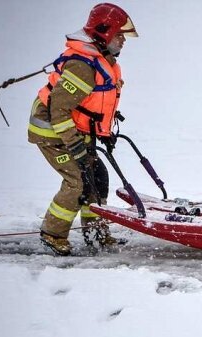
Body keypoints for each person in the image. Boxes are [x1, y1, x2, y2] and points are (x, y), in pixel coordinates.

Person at [29, 3, 137, 255]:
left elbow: (92, 104)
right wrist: (75, 144)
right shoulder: (83, 67)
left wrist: (104, 132)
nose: (123, 41)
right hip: (53, 133)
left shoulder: (101, 62)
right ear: (104, 33)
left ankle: (96, 233)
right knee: (77, 182)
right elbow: (59, 111)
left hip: (75, 132)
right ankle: (53, 235)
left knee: (97, 179)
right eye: (119, 35)